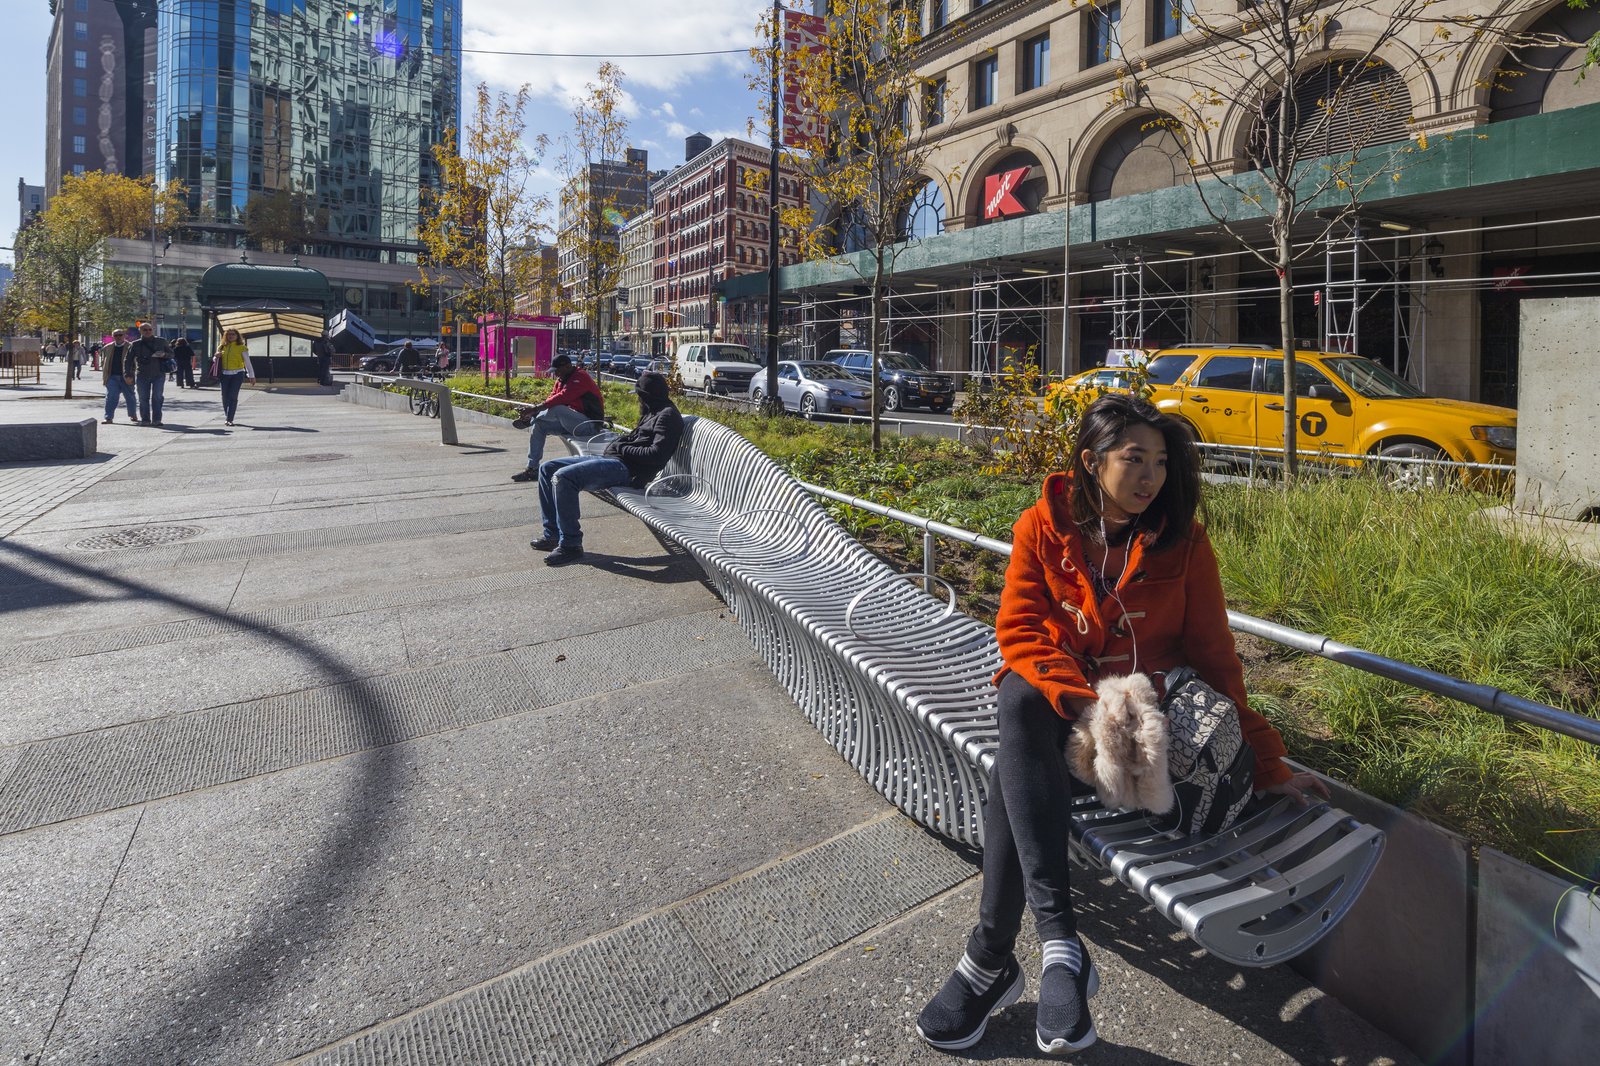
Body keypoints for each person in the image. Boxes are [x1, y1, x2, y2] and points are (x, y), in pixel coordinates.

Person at [915, 393, 1328, 1056]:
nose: (1150, 477)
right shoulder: (1040, 528)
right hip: (1069, 724)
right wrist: (1088, 705)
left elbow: (1218, 657)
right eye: (1134, 459)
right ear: (1090, 461)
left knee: (1012, 774)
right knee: (1023, 698)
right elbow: (1019, 631)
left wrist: (1269, 764)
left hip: (1145, 742)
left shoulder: (1183, 542)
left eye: (1160, 462)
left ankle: (992, 960)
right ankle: (1057, 946)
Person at [531, 370, 682, 567]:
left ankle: (571, 544)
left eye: (639, 396)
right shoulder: (653, 410)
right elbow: (639, 441)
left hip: (627, 470)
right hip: (614, 460)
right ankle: (552, 534)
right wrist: (621, 445)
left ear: (647, 395)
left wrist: (621, 447)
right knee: (547, 469)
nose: (638, 400)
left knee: (564, 478)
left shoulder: (667, 416)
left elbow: (656, 455)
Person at [509, 353, 605, 483]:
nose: (556, 374)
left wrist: (534, 410)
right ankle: (532, 469)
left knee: (557, 408)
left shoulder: (580, 377)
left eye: (558, 370)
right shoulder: (561, 380)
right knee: (539, 426)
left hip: (589, 425)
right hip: (574, 425)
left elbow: (563, 397)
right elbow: (551, 398)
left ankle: (530, 419)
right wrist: (536, 409)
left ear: (568, 366)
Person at [212, 328, 255, 426]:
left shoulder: (242, 348)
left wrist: (251, 376)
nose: (231, 336)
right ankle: (228, 416)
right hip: (224, 374)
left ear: (237, 336)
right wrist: (216, 356)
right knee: (224, 396)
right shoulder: (221, 347)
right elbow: (215, 360)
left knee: (233, 396)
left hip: (237, 374)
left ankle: (229, 419)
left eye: (233, 334)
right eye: (229, 334)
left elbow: (247, 363)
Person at [129, 323, 170, 425]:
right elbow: (128, 360)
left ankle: (157, 419)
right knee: (143, 398)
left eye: (149, 329)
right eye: (145, 330)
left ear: (153, 330)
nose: (147, 331)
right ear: (140, 331)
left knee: (157, 397)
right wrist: (127, 374)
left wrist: (164, 354)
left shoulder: (161, 341)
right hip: (142, 374)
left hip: (158, 374)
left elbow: (172, 354)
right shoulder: (135, 344)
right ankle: (145, 419)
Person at [99, 328, 137, 424]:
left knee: (130, 397)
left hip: (126, 376)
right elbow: (104, 361)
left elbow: (135, 362)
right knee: (111, 397)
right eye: (116, 335)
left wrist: (132, 374)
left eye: (120, 335)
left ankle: (132, 414)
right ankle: (108, 417)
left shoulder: (131, 346)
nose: (118, 337)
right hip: (112, 376)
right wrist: (105, 376)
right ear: (113, 337)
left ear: (125, 336)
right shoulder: (108, 347)